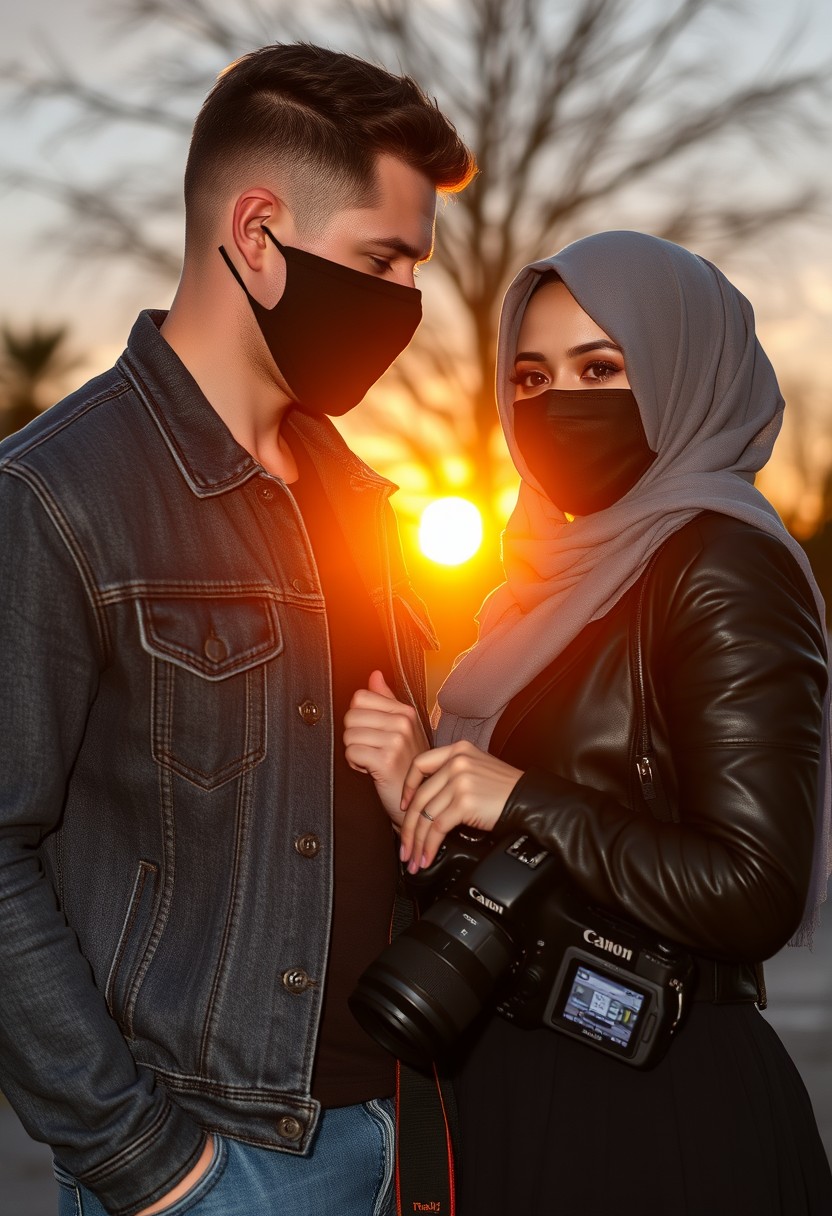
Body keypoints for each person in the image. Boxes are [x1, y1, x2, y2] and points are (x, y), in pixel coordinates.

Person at [0, 42, 474, 1216]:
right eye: (382, 260)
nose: (406, 305)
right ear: (258, 235)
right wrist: (149, 1167)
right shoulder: (56, 494)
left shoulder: (360, 499)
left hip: (403, 1139)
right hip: (219, 1165)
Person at [345, 230, 832, 1215]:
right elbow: (536, 867)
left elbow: (752, 887)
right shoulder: (543, 589)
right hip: (523, 1087)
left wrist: (519, 795)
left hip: (653, 1109)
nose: (555, 403)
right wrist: (421, 792)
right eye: (528, 377)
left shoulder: (721, 567)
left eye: (599, 367)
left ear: (681, 371)